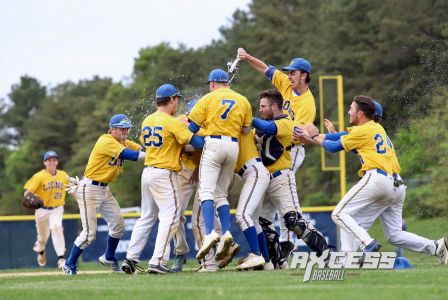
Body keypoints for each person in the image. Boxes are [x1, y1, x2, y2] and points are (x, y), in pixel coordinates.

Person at [296, 95, 448, 264]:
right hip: (396, 185)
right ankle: (436, 247)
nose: (348, 111)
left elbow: (332, 146)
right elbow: (339, 139)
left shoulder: (365, 129)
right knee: (392, 234)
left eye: (352, 109)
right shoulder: (376, 129)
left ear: (361, 114)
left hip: (378, 180)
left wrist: (313, 135)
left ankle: (368, 243)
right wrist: (319, 136)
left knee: (339, 214)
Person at [238, 48, 316, 256]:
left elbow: (294, 134)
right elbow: (265, 68)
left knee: (283, 187)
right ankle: (277, 243)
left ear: (304, 75)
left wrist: (269, 131)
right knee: (271, 193)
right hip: (278, 146)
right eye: (288, 72)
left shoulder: (307, 102)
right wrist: (247, 58)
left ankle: (286, 240)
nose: (289, 75)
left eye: (293, 72)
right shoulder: (285, 85)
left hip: (293, 150)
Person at [121, 84, 205, 275]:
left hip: (148, 172)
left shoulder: (147, 120)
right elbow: (195, 141)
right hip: (165, 174)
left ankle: (131, 258)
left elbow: (145, 142)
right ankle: (158, 260)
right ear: (172, 99)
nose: (178, 104)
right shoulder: (173, 122)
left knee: (147, 217)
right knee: (171, 216)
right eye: (177, 100)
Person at [62, 114, 145, 275]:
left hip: (104, 189)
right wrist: (157, 157)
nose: (125, 132)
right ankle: (69, 264)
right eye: (121, 128)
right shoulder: (105, 140)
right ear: (111, 129)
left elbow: (142, 150)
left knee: (118, 225)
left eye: (127, 129)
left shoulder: (124, 142)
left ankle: (108, 256)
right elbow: (130, 155)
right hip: (89, 189)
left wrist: (161, 149)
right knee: (89, 234)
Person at [252, 89, 328, 262]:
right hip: (265, 181)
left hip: (281, 179)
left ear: (275, 106)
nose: (260, 109)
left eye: (264, 106)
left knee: (294, 221)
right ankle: (277, 261)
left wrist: (247, 119)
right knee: (263, 224)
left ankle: (326, 254)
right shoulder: (265, 123)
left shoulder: (286, 122)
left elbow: (269, 128)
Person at [187, 69, 253, 261]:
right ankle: (225, 232)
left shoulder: (207, 98)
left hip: (213, 143)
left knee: (206, 192)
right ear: (227, 83)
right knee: (221, 194)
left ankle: (210, 233)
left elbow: (192, 128)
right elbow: (247, 129)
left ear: (213, 84)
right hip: (233, 146)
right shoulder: (242, 100)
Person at [24, 150, 69, 268]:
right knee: (42, 237)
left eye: (54, 160)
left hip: (57, 208)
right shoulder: (39, 176)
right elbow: (27, 193)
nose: (51, 162)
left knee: (56, 227)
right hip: (42, 210)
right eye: (49, 160)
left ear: (57, 162)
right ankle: (41, 251)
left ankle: (61, 259)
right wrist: (28, 197)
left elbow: (71, 189)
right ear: (44, 163)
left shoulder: (63, 175)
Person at [234, 127, 271, 270]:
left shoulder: (236, 128)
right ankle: (267, 262)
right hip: (253, 173)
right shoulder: (228, 128)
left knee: (242, 215)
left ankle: (255, 255)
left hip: (254, 171)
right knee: (254, 220)